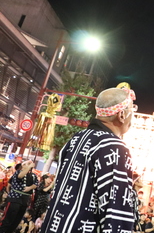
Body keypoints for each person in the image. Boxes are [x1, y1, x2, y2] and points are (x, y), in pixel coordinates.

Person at [41, 87, 137, 232]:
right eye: (132, 110)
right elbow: (115, 208)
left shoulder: (76, 139)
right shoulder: (115, 147)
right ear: (122, 115)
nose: (133, 116)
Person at [0, 160, 38, 233]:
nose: (30, 165)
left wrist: (29, 188)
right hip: (15, 198)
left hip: (25, 199)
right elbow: (20, 176)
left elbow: (36, 184)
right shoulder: (18, 172)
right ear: (23, 166)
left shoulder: (33, 175)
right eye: (28, 164)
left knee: (16, 220)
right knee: (8, 219)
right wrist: (29, 166)